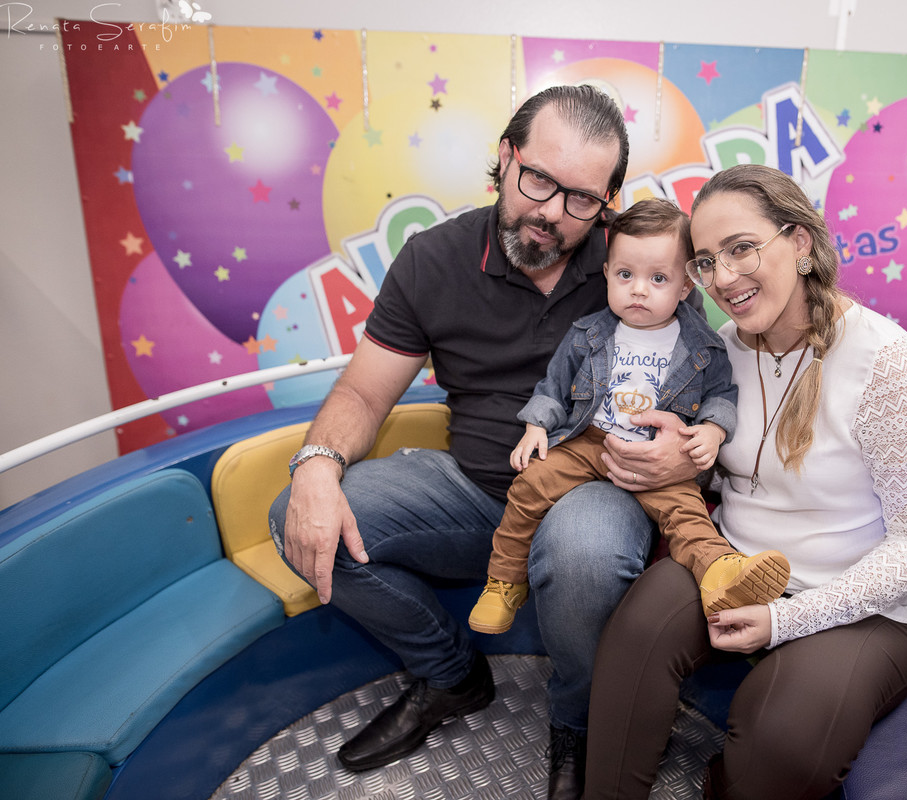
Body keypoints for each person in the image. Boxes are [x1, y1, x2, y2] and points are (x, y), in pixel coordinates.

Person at [268, 84, 699, 800]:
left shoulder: (644, 265)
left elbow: (709, 387)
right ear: (505, 157)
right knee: (297, 517)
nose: (552, 215)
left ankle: (577, 724)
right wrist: (317, 467)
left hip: (594, 491)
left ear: (609, 201)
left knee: (587, 551)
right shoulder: (432, 259)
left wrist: (687, 443)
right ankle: (450, 676)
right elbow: (363, 394)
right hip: (472, 495)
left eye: (582, 200)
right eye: (538, 181)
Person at [584, 164, 907, 800]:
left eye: (741, 248)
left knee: (781, 737)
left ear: (801, 243)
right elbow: (699, 451)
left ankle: (722, 780)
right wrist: (674, 456)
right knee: (634, 637)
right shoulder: (717, 348)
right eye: (706, 261)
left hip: (861, 602)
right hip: (733, 562)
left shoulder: (888, 363)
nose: (724, 278)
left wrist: (788, 621)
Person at [468, 198, 790, 636]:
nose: (639, 289)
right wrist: (535, 426)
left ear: (684, 287)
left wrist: (713, 431)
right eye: (625, 275)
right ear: (607, 275)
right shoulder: (588, 334)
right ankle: (504, 580)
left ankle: (721, 573)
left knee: (686, 514)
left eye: (658, 278)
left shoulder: (704, 346)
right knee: (529, 486)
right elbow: (554, 385)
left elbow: (722, 395)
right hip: (588, 441)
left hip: (656, 459)